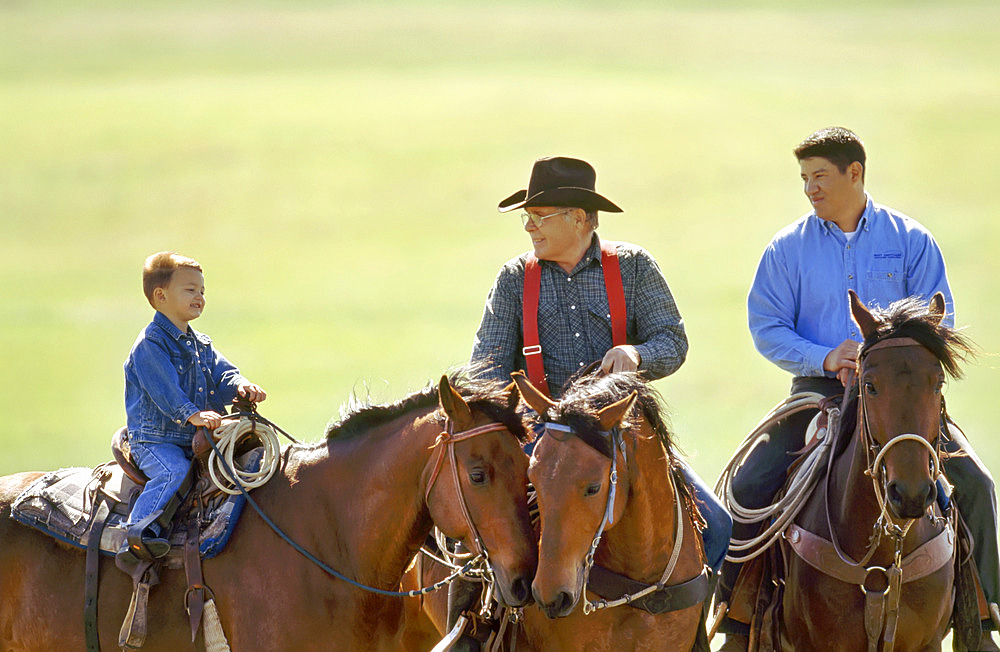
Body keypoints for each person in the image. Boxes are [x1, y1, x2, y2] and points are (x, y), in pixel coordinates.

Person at [717, 127, 999, 647]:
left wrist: (884, 355)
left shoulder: (911, 239)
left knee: (977, 486)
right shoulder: (787, 248)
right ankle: (738, 615)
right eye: (804, 179)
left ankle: (978, 619)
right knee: (749, 484)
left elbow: (941, 319)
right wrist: (825, 355)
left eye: (819, 176)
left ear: (856, 173)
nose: (810, 189)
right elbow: (767, 325)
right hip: (817, 392)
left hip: (902, 397)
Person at [465, 156, 731, 639]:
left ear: (580, 219)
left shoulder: (634, 267)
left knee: (716, 525)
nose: (528, 226)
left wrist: (636, 353)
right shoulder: (512, 279)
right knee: (483, 544)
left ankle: (694, 633)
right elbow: (484, 368)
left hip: (621, 436)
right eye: (527, 216)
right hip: (542, 443)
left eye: (539, 215)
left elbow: (673, 343)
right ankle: (480, 630)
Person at [116, 252, 267, 566]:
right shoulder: (150, 344)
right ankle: (138, 533)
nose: (200, 296)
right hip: (158, 439)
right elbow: (164, 390)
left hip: (198, 435)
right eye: (190, 290)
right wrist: (192, 413)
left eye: (202, 291)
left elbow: (223, 373)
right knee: (173, 471)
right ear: (161, 295)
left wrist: (241, 385)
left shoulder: (201, 343)